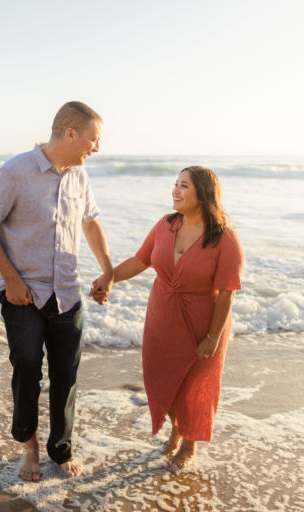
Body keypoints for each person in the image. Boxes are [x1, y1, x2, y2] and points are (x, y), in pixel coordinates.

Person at [0, 101, 113, 481]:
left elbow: (91, 223)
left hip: (67, 292)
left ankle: (60, 448)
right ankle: (30, 449)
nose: (96, 148)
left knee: (67, 376)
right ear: (71, 133)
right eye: (93, 139)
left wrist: (107, 269)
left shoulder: (80, 176)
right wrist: (12, 280)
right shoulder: (14, 172)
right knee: (28, 371)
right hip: (24, 295)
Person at [90, 166, 244, 470]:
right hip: (162, 316)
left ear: (203, 194)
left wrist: (212, 336)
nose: (175, 190)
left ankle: (189, 444)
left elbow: (227, 292)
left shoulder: (224, 238)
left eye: (184, 186)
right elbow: (139, 261)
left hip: (203, 322)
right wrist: (108, 278)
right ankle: (176, 428)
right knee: (162, 381)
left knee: (194, 386)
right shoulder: (165, 225)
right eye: (175, 184)